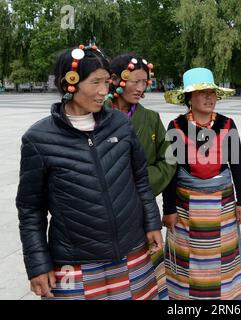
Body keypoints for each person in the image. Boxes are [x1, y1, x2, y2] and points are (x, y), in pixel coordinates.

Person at [16, 44, 166, 300]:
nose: (103, 91)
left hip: (132, 250)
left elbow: (140, 178)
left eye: (106, 82)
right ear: (69, 83)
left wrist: (152, 221)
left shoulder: (120, 124)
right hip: (75, 261)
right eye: (95, 82)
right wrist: (38, 264)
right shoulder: (38, 139)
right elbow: (31, 209)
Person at [162, 67, 241, 300]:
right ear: (189, 98)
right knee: (186, 256)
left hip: (222, 205)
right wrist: (168, 209)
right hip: (185, 206)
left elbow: (237, 166)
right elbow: (171, 172)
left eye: (212, 92)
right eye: (202, 93)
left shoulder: (227, 124)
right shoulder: (176, 127)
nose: (209, 97)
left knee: (222, 257)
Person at [105, 53, 176, 197]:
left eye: (144, 82)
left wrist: (143, 181)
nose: (140, 88)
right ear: (114, 79)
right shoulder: (97, 114)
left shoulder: (152, 118)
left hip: (140, 200)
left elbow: (169, 159)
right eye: (136, 81)